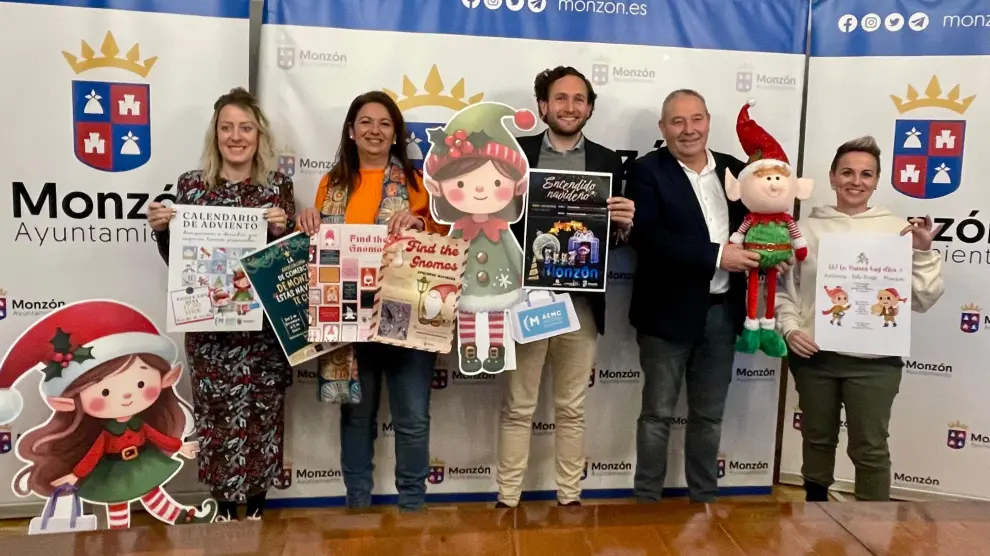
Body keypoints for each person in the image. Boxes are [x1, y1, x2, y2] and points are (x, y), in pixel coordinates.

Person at [147, 87, 296, 521]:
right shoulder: (191, 186)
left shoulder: (278, 188)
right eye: (227, 127)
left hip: (263, 330)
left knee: (262, 415)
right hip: (210, 330)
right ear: (215, 134)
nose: (236, 136)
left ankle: (258, 504)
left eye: (245, 128)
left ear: (258, 135)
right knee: (217, 418)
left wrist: (282, 231)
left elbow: (288, 264)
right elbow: (178, 262)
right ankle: (227, 507)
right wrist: (162, 231)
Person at [295, 91, 446, 512]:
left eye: (384, 123)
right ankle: (357, 503)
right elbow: (321, 244)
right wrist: (308, 220)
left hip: (406, 316)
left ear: (396, 133)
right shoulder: (331, 184)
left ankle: (412, 505)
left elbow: (444, 241)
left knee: (412, 417)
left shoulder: (418, 184)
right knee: (356, 416)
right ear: (351, 130)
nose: (374, 130)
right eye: (365, 121)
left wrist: (419, 223)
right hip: (349, 318)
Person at [775, 135, 944, 502]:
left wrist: (922, 252)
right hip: (815, 356)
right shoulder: (804, 230)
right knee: (817, 440)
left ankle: (874, 526)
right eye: (847, 172)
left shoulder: (898, 230)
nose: (856, 181)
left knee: (870, 447)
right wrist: (789, 329)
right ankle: (815, 515)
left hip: (875, 363)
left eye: (866, 174)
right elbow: (784, 291)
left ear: (877, 181)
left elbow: (922, 299)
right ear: (832, 176)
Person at [495, 66, 634, 508]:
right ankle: (507, 499)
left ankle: (570, 498)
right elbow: (491, 224)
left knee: (572, 407)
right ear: (543, 106)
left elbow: (611, 240)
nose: (569, 107)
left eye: (578, 99)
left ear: (589, 108)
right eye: (560, 98)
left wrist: (623, 226)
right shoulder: (514, 154)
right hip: (525, 300)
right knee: (518, 405)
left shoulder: (608, 162)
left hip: (581, 305)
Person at [624, 89, 762, 503]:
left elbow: (757, 225)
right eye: (678, 121)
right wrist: (718, 255)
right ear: (663, 127)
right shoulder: (646, 171)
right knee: (657, 415)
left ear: (708, 121)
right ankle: (646, 503)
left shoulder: (736, 170)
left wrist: (774, 250)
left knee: (709, 416)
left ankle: (704, 501)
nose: (688, 130)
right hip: (665, 315)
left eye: (696, 119)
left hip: (722, 313)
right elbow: (648, 237)